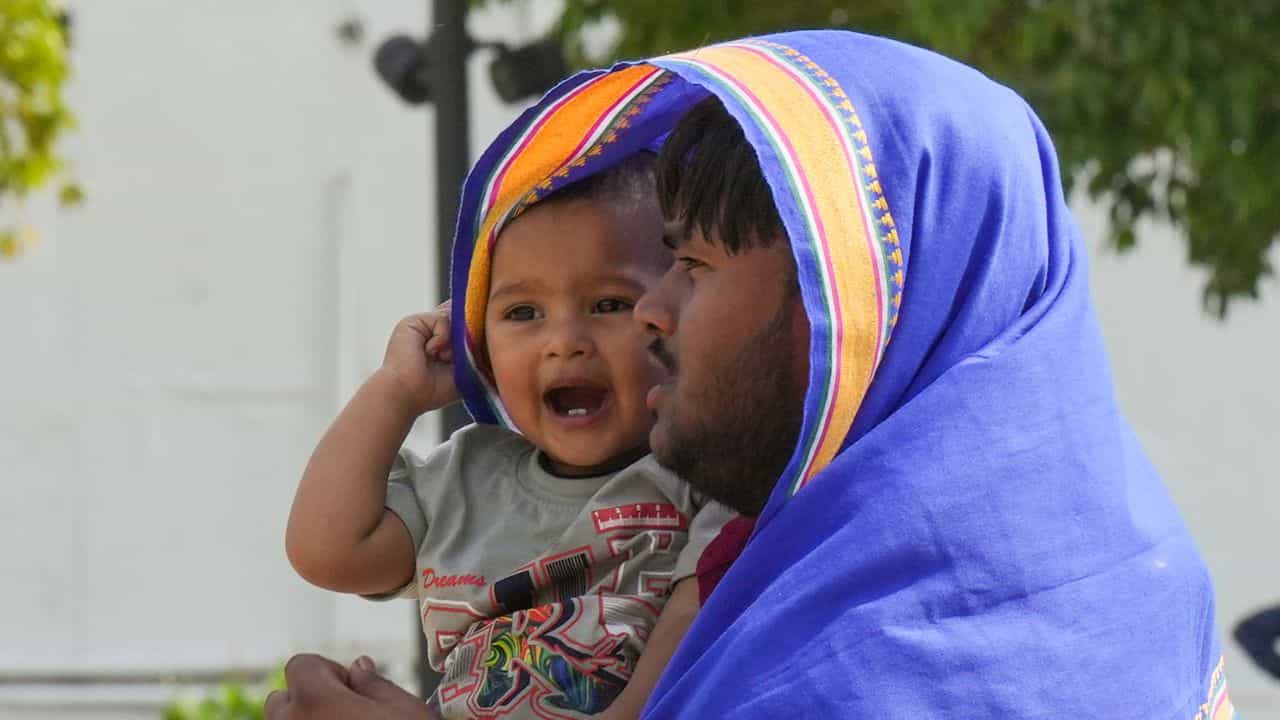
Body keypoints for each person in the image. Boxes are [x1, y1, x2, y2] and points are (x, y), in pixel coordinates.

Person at [268, 29, 1233, 719]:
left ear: (841, 298)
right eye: (521, 309)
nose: (649, 313)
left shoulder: (874, 663)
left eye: (689, 265)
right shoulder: (1122, 572)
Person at [284, 153, 739, 720]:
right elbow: (326, 553)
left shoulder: (704, 477)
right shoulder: (466, 475)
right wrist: (397, 387)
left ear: (672, 316)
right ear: (480, 346)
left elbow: (672, 672)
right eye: (523, 312)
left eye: (609, 305)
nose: (564, 341)